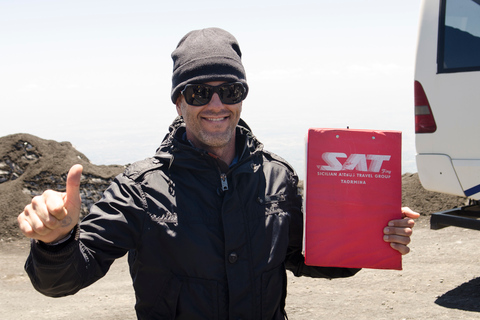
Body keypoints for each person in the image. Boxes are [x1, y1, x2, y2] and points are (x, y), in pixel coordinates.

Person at [18, 27, 420, 320]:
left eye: (229, 90)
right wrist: (57, 242)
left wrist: (370, 235)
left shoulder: (277, 177)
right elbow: (63, 280)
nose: (216, 104)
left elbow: (311, 258)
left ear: (242, 97)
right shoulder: (140, 188)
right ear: (178, 102)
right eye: (198, 92)